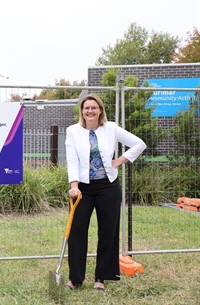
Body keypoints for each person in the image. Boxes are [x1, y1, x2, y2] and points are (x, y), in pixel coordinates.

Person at [64, 94, 146, 292]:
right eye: (86, 108)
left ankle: (101, 276)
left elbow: (139, 143)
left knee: (107, 231)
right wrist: (74, 185)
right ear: (82, 111)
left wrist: (118, 161)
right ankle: (75, 278)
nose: (90, 111)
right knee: (76, 231)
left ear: (100, 110)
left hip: (108, 187)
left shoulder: (111, 128)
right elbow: (72, 158)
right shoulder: (73, 131)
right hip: (82, 188)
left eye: (94, 107)